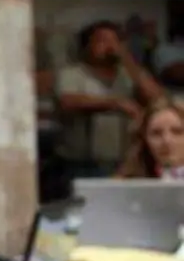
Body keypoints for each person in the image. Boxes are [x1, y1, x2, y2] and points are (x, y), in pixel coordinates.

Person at [56, 20, 165, 177]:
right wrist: (116, 103)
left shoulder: (128, 73)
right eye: (102, 40)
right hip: (80, 164)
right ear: (86, 46)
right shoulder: (71, 73)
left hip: (124, 164)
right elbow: (67, 101)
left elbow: (158, 99)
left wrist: (127, 59)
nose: (110, 46)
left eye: (115, 41)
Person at [116, 98, 184, 180]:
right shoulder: (124, 183)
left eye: (177, 132)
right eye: (156, 133)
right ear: (145, 139)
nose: (166, 141)